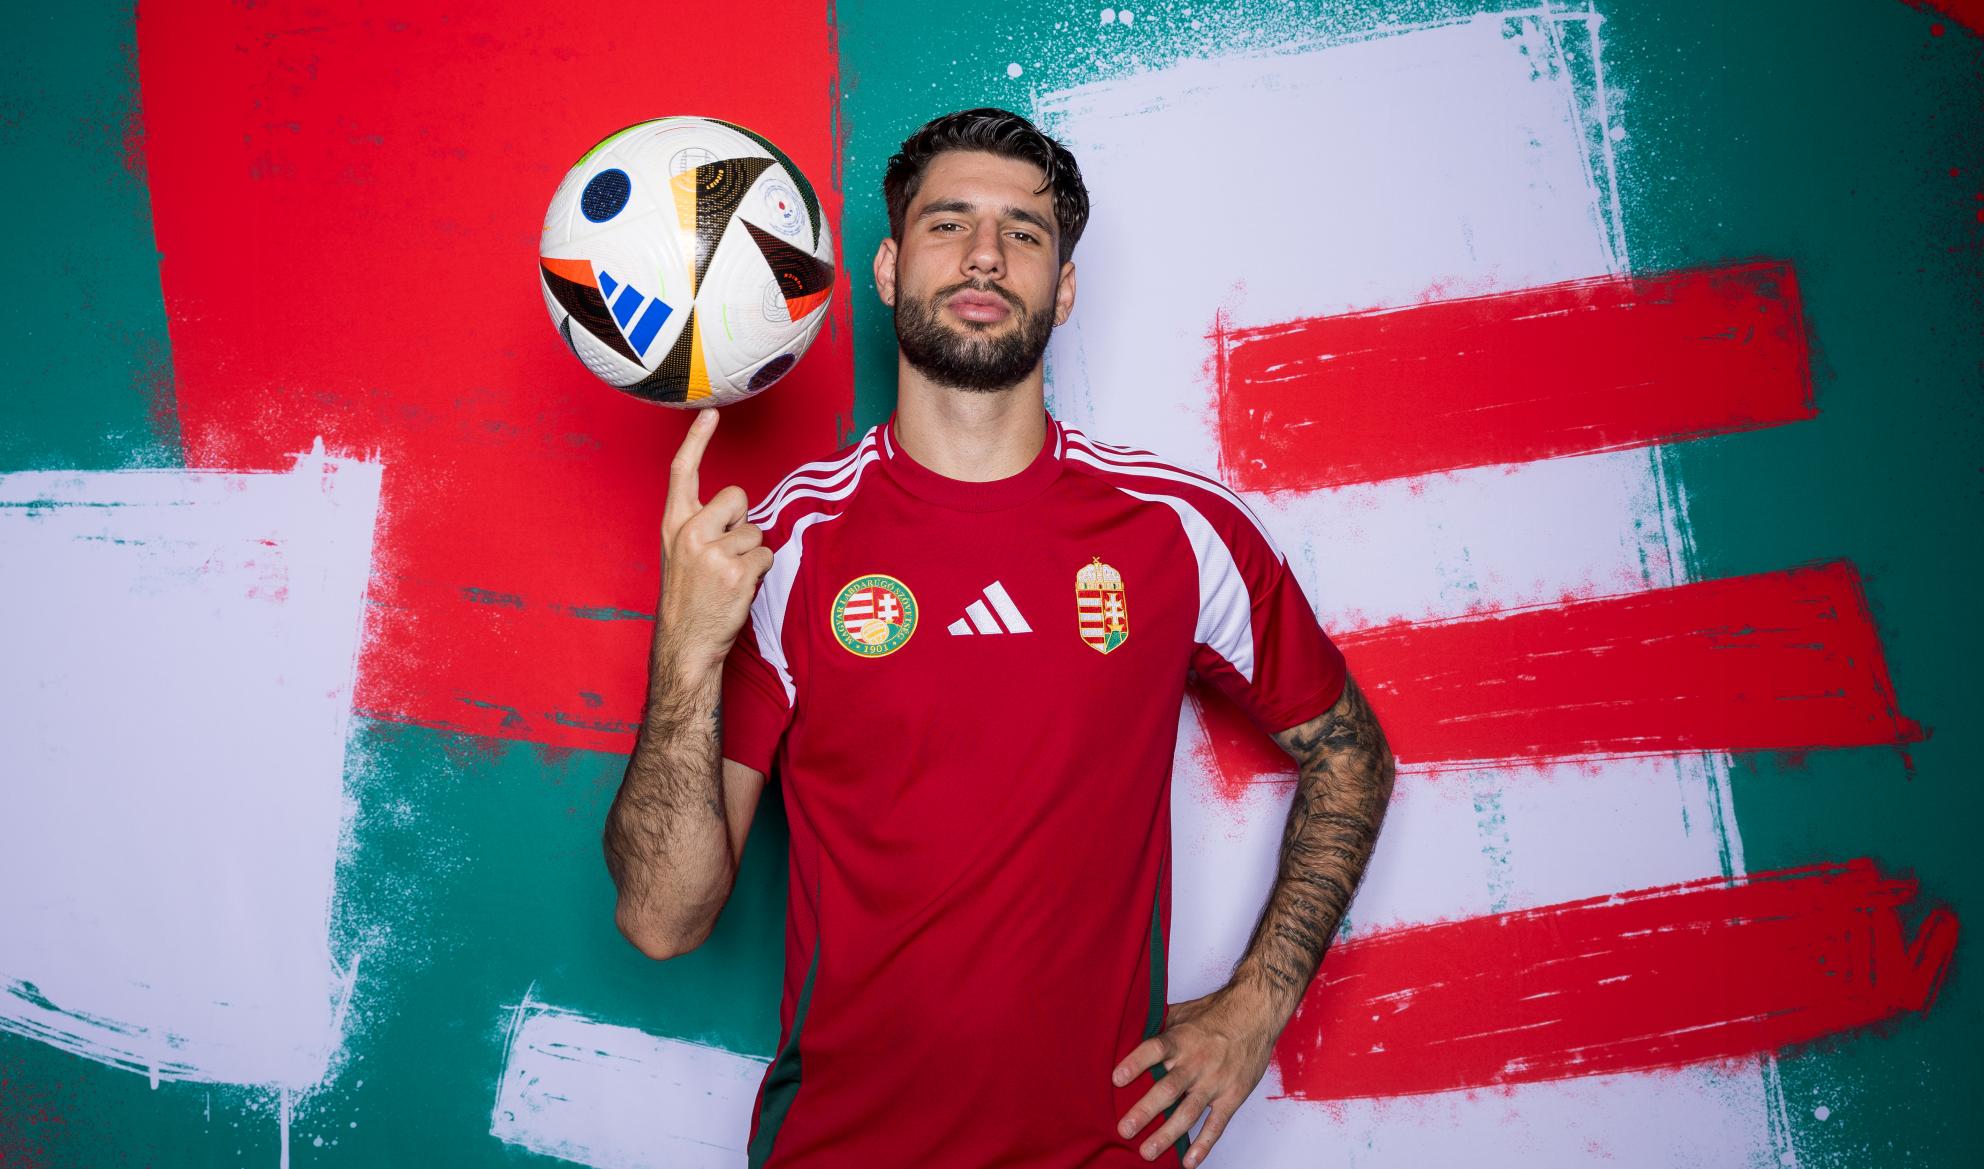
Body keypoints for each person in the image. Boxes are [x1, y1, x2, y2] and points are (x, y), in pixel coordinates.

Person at [602, 107, 1397, 1169]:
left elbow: (1349, 750)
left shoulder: (1174, 529)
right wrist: (685, 645)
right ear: (889, 268)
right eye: (948, 223)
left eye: (1024, 232)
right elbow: (662, 918)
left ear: (1063, 287)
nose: (985, 254)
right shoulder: (787, 545)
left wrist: (1256, 1007)